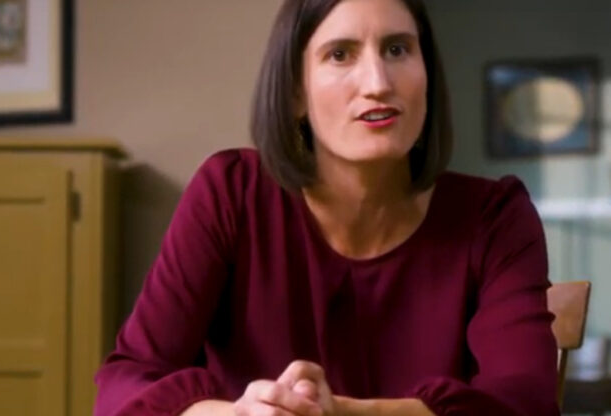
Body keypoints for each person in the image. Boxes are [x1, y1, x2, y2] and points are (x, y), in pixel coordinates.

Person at [94, 0, 560, 414]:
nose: (378, 83)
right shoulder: (231, 192)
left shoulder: (496, 217)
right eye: (340, 54)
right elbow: (122, 390)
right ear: (295, 92)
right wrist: (236, 415)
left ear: (428, 76)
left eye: (398, 49)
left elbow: (526, 405)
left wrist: (347, 413)